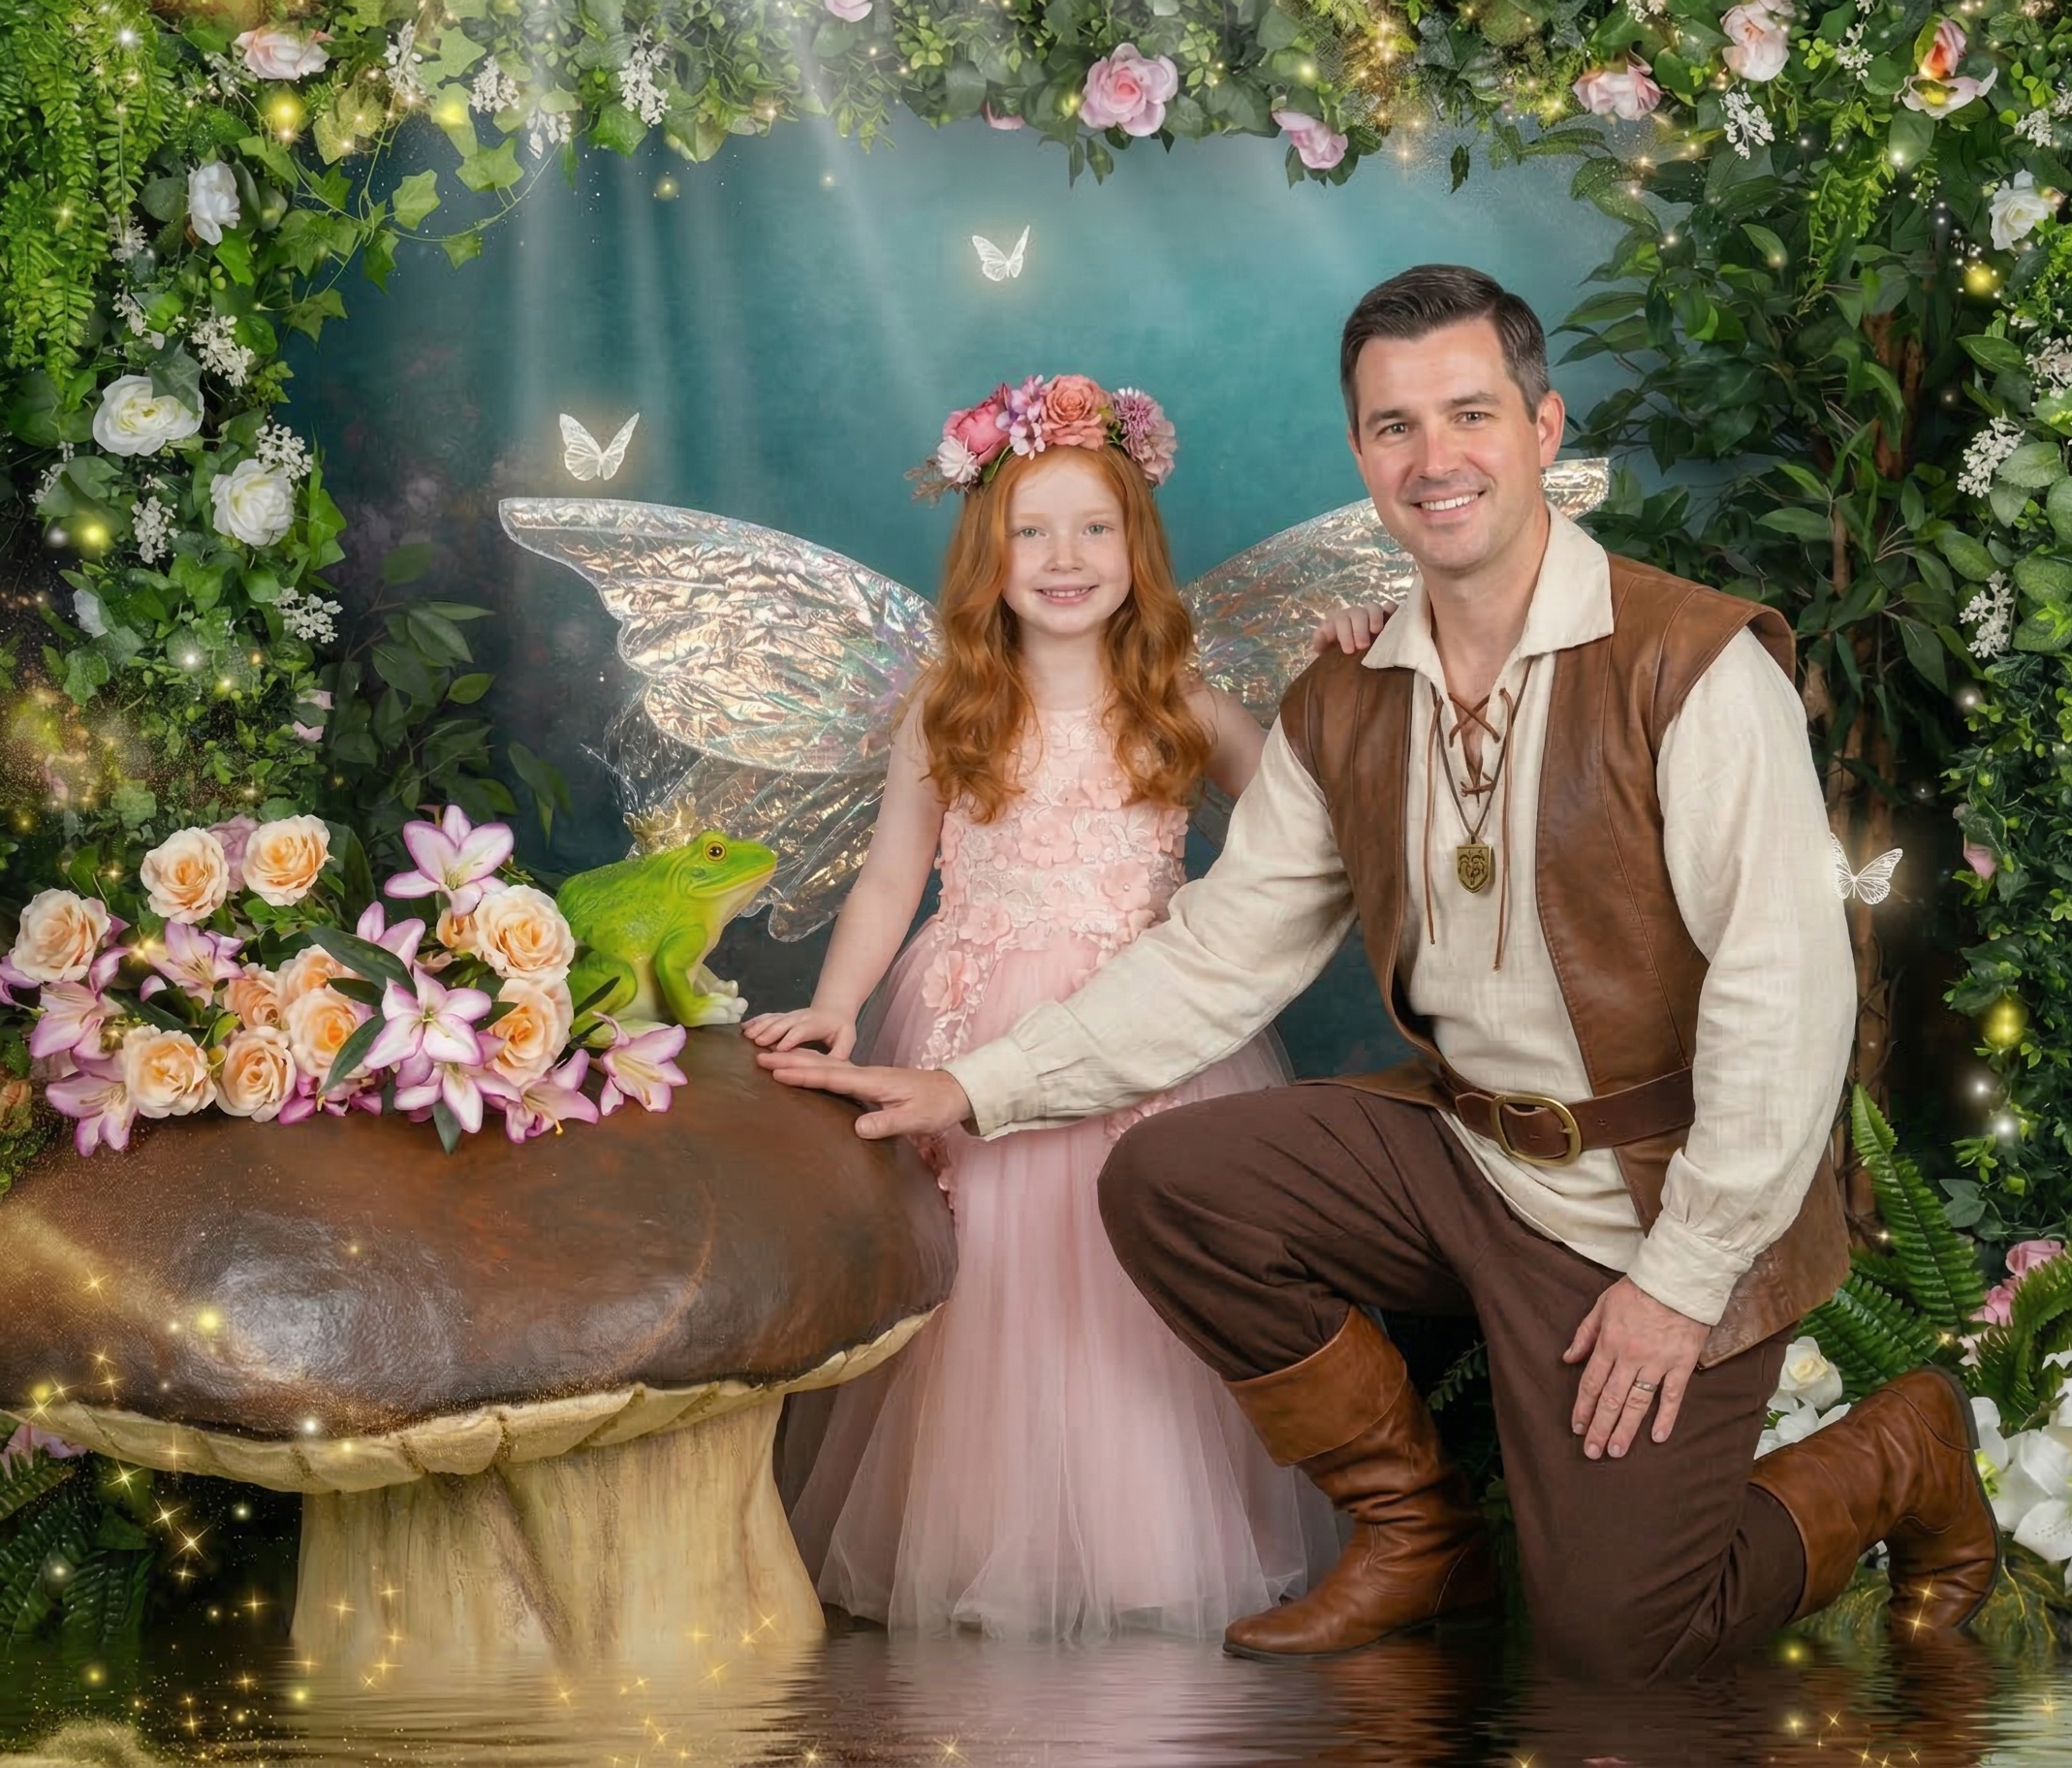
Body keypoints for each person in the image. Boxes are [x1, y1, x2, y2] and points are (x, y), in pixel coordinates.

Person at [759, 269, 1998, 1684]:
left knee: (1619, 1643)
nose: (1434, 457)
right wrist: (972, 1088)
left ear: (1542, 427)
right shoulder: (1346, 695)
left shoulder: (1695, 665)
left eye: (1469, 414)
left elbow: (1785, 1001)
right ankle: (1418, 1530)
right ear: (1358, 453)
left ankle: (1905, 1446)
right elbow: (1221, 954)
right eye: (1395, 426)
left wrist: (1685, 1277)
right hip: (1462, 1150)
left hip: (1646, 1193)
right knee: (1170, 1180)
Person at [746, 373, 1336, 1641]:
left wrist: (1355, 683)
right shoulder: (952, 704)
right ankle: (975, 1545)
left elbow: (1302, 826)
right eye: (1032, 532)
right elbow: (892, 877)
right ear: (988, 553)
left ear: (1137, 545)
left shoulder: (1180, 700)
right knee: (989, 1286)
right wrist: (839, 1006)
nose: (1065, 559)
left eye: (1094, 528)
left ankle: (1144, 1547)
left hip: (1143, 1028)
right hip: (973, 1025)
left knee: (1133, 1283)